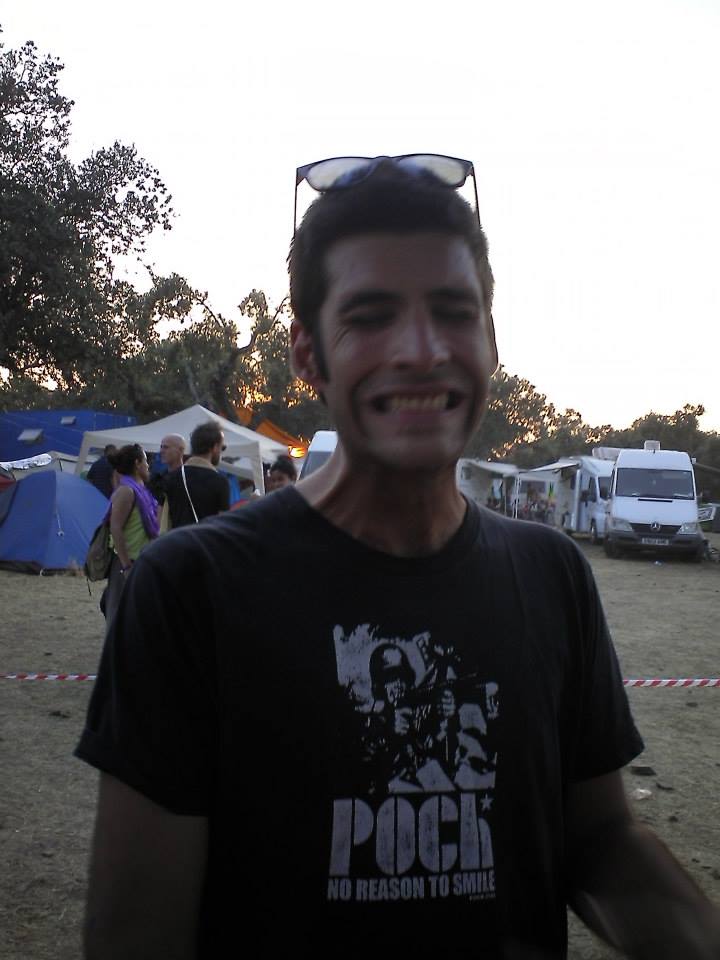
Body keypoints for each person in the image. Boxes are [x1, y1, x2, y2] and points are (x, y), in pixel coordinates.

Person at [76, 156, 720, 958]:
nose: (421, 350)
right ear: (307, 353)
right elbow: (137, 936)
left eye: (454, 311)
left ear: (491, 339)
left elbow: (599, 838)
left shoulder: (551, 575)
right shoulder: (190, 589)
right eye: (371, 316)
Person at [101, 444, 159, 623]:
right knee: (119, 614)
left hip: (140, 559)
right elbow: (115, 527)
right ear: (137, 463)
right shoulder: (126, 491)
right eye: (145, 461)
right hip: (127, 561)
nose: (148, 465)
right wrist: (126, 565)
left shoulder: (141, 489)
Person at [161, 421, 230, 529]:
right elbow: (223, 526)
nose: (221, 452)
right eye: (222, 447)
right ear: (215, 447)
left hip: (177, 539)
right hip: (205, 539)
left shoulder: (171, 477)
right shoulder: (220, 482)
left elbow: (164, 522)